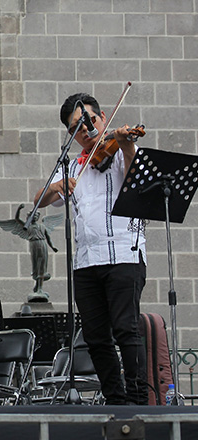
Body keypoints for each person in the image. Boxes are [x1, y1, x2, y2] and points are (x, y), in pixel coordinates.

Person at [34, 93, 147, 405]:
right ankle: (115, 398)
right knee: (96, 337)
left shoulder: (125, 152)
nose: (85, 131)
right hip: (85, 261)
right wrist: (55, 187)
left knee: (126, 329)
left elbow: (138, 180)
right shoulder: (72, 166)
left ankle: (138, 399)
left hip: (124, 253)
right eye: (75, 129)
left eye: (89, 122)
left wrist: (124, 142)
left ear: (103, 117)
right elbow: (38, 201)